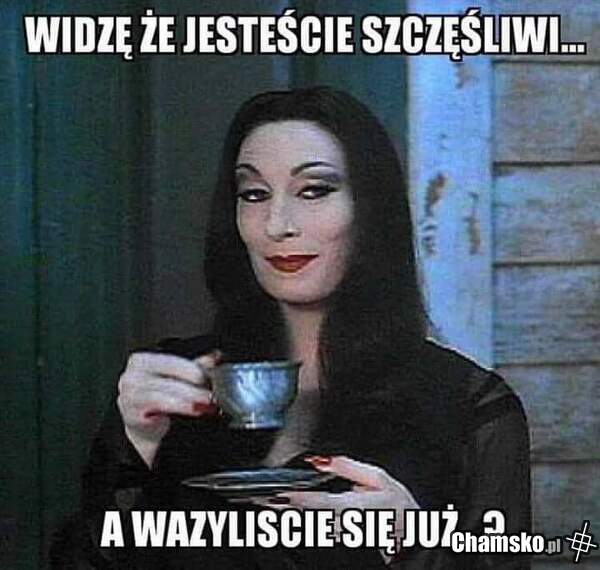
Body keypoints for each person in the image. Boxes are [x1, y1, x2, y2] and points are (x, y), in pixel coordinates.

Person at [58, 87, 531, 569]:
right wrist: (135, 447)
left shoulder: (472, 408)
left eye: (314, 190)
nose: (276, 225)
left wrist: (417, 548)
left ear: (371, 208)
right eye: (254, 194)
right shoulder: (173, 387)